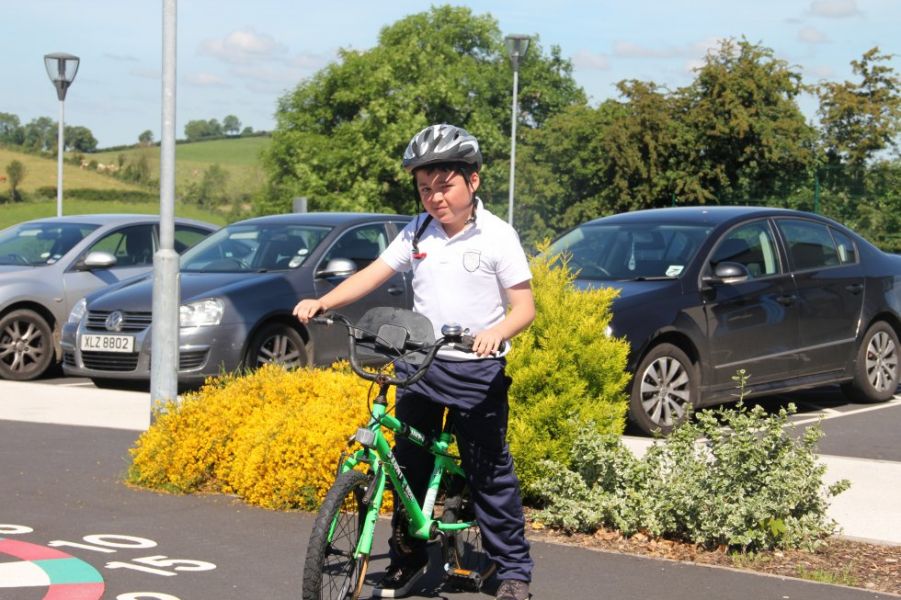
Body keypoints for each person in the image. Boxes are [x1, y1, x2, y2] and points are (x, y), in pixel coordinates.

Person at [293, 123, 535, 600]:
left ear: (473, 182)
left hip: (474, 370)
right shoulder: (417, 230)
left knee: (489, 472)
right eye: (425, 189)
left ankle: (513, 572)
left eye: (444, 186)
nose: (434, 197)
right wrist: (325, 303)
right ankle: (407, 560)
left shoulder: (498, 236)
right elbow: (374, 273)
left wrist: (496, 333)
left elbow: (524, 308)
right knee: (408, 466)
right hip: (421, 366)